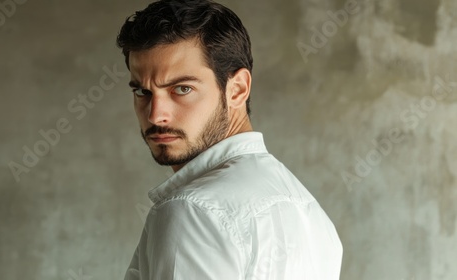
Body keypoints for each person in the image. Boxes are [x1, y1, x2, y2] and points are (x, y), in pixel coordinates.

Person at [116, 0, 343, 279]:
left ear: (237, 89)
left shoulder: (191, 210)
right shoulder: (311, 214)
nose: (155, 115)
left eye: (182, 88)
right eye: (142, 92)